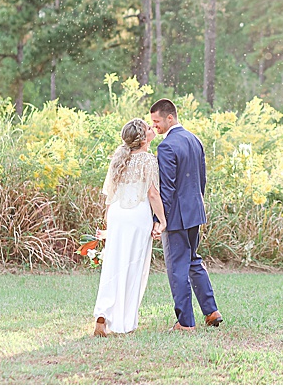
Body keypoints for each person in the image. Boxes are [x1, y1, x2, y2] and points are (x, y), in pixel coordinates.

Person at [149, 98, 222, 332]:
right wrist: (196, 205)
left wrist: (160, 220)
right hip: (194, 211)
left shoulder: (166, 146)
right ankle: (211, 311)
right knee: (193, 261)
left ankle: (185, 322)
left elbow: (167, 188)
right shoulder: (194, 139)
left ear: (170, 118)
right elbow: (202, 179)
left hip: (177, 216)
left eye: (157, 121)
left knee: (177, 268)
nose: (155, 126)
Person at [92, 118, 167, 336]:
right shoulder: (148, 160)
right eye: (148, 128)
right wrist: (161, 221)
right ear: (143, 139)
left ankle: (103, 312)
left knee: (113, 265)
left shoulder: (119, 158)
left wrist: (108, 225)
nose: (153, 129)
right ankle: (124, 322)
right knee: (133, 266)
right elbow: (153, 194)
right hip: (137, 216)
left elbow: (110, 196)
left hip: (117, 214)